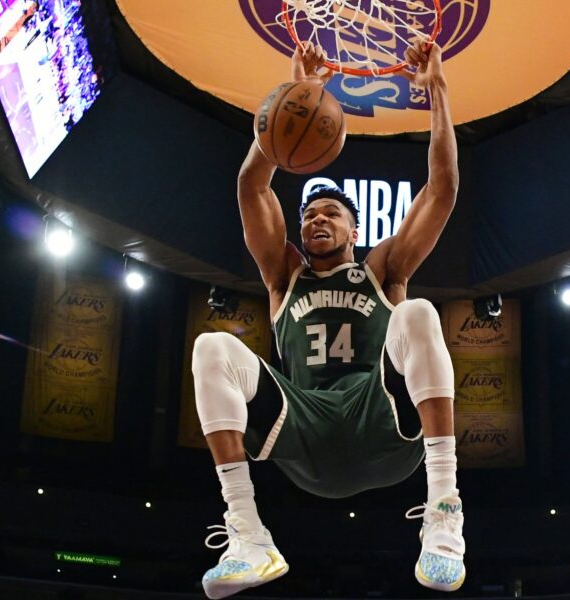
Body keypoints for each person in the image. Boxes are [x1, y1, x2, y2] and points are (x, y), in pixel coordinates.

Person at [192, 40, 464, 599]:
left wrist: (436, 89)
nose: (317, 219)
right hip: (303, 428)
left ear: (354, 230)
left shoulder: (383, 270)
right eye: (310, 213)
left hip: (380, 419)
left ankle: (444, 513)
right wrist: (296, 99)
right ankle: (249, 536)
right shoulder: (282, 276)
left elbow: (442, 190)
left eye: (332, 213)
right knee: (210, 348)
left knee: (416, 312)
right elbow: (251, 186)